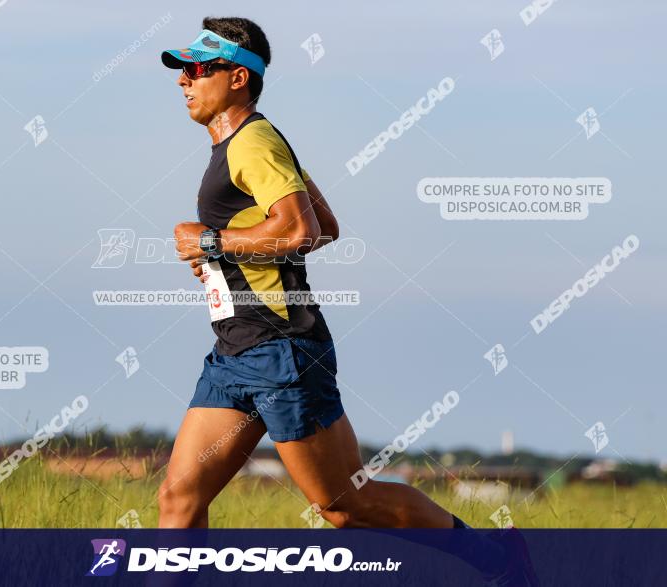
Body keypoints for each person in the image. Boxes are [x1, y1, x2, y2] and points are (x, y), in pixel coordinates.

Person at [158, 17, 537, 585]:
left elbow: (299, 231)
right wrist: (228, 255)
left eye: (198, 69)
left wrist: (211, 241)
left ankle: (496, 558)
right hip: (235, 353)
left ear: (238, 77)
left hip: (280, 353)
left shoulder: (254, 141)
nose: (183, 80)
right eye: (181, 70)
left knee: (344, 506)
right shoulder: (251, 143)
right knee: (178, 497)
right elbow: (326, 224)